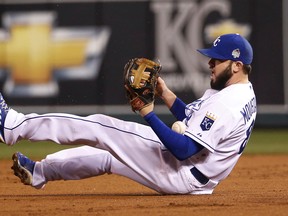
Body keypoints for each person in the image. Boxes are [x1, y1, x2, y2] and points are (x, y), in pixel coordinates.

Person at [2, 33, 256, 195]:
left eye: (217, 60)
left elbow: (185, 149)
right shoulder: (241, 92)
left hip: (181, 168)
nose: (210, 63)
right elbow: (194, 118)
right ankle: (40, 172)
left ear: (237, 65)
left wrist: (148, 113)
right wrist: (166, 94)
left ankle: (14, 126)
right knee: (108, 155)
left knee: (101, 127)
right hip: (195, 176)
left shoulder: (227, 104)